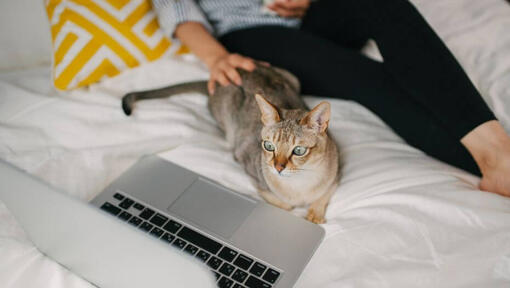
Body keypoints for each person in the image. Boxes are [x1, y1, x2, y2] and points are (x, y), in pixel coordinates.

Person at [152, 0, 510, 197]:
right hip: (251, 36)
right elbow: (179, 12)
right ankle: (495, 161)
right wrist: (217, 58)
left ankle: (499, 150)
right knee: (369, 77)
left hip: (310, 18)